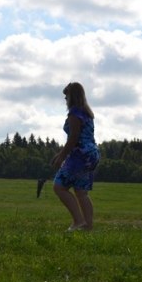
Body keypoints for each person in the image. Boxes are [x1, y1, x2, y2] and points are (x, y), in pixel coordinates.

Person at [51, 82, 99, 232]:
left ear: (72, 96)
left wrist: (61, 157)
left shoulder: (74, 113)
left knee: (59, 187)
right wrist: (60, 154)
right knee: (81, 192)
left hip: (79, 156)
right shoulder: (87, 113)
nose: (65, 99)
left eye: (66, 96)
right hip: (91, 155)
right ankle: (88, 226)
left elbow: (74, 138)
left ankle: (78, 221)